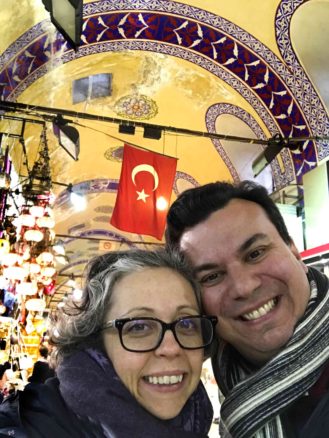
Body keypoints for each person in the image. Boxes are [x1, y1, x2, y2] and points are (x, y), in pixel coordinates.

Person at [165, 180, 329, 438]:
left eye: (255, 254)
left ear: (294, 252)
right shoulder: (219, 382)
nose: (244, 287)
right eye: (211, 277)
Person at [0, 249, 217, 437]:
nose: (172, 348)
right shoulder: (31, 428)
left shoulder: (198, 423)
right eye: (139, 326)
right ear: (94, 342)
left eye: (187, 324)